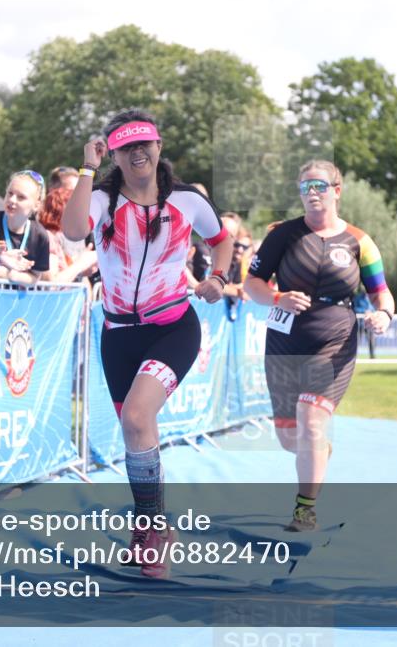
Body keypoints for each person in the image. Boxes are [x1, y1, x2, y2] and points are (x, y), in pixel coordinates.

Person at [61, 109, 232, 577]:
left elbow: (222, 240)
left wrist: (217, 276)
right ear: (113, 154)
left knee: (138, 417)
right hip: (117, 333)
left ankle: (150, 530)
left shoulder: (187, 200)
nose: (138, 153)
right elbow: (73, 231)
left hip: (173, 326)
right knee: (135, 432)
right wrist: (86, 169)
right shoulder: (100, 198)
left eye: (146, 144)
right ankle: (154, 523)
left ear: (158, 147)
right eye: (126, 147)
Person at [243, 160, 394, 532]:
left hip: (335, 338)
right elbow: (251, 285)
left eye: (319, 186)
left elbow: (382, 294)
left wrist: (384, 316)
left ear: (337, 191)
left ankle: (304, 510)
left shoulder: (361, 242)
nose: (312, 193)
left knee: (311, 419)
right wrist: (277, 298)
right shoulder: (283, 235)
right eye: (305, 186)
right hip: (284, 340)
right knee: (290, 438)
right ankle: (318, 453)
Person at [38, 186, 98, 282]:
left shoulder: (73, 235)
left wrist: (81, 271)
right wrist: (82, 263)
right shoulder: (48, 238)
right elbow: (52, 283)